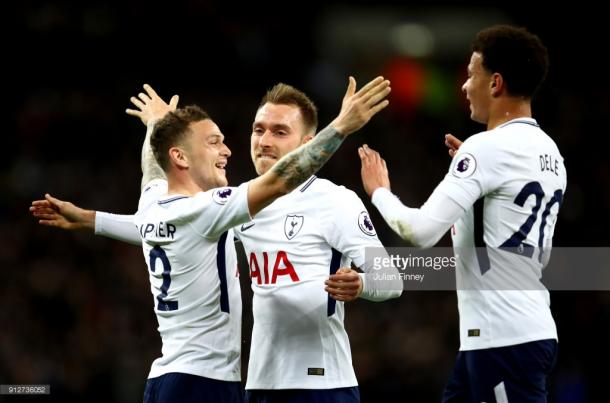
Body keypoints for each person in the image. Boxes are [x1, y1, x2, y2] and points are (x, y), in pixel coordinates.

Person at [32, 82, 401, 403]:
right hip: (257, 384)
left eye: (279, 132)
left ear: (308, 143)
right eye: (258, 130)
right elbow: (161, 227)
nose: (264, 140)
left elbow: (394, 279)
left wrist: (362, 284)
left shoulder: (336, 201)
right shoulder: (234, 204)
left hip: (322, 384)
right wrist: (91, 220)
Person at [358, 25, 565, 402]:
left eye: (472, 75)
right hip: (511, 334)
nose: (465, 86)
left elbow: (417, 231)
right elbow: (509, 232)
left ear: (496, 83)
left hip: (504, 342)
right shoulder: (551, 154)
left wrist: (380, 192)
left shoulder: (486, 150)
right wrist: (473, 170)